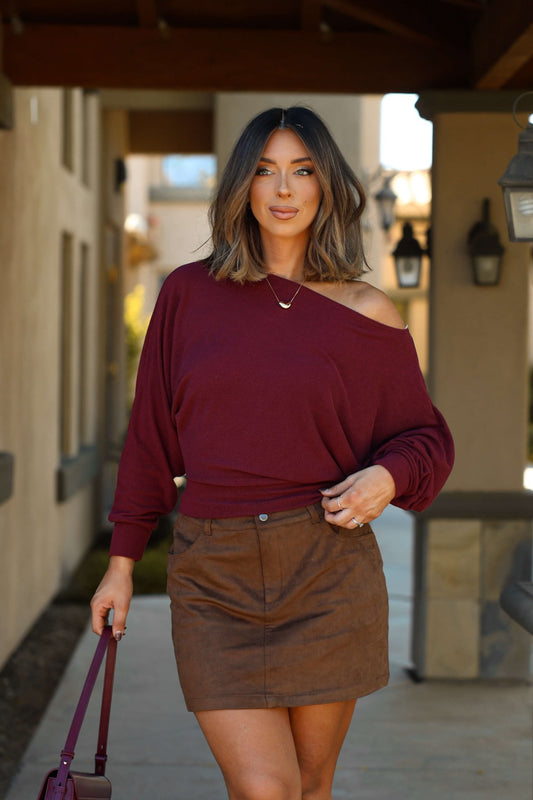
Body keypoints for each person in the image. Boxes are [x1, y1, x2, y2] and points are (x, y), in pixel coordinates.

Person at [91, 106, 454, 800]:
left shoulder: (364, 310)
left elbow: (423, 436)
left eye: (302, 170)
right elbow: (149, 439)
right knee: (265, 787)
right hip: (213, 577)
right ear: (241, 188)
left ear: (326, 188)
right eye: (264, 171)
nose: (282, 189)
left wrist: (387, 475)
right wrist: (121, 563)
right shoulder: (187, 295)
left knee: (308, 787)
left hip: (325, 570)